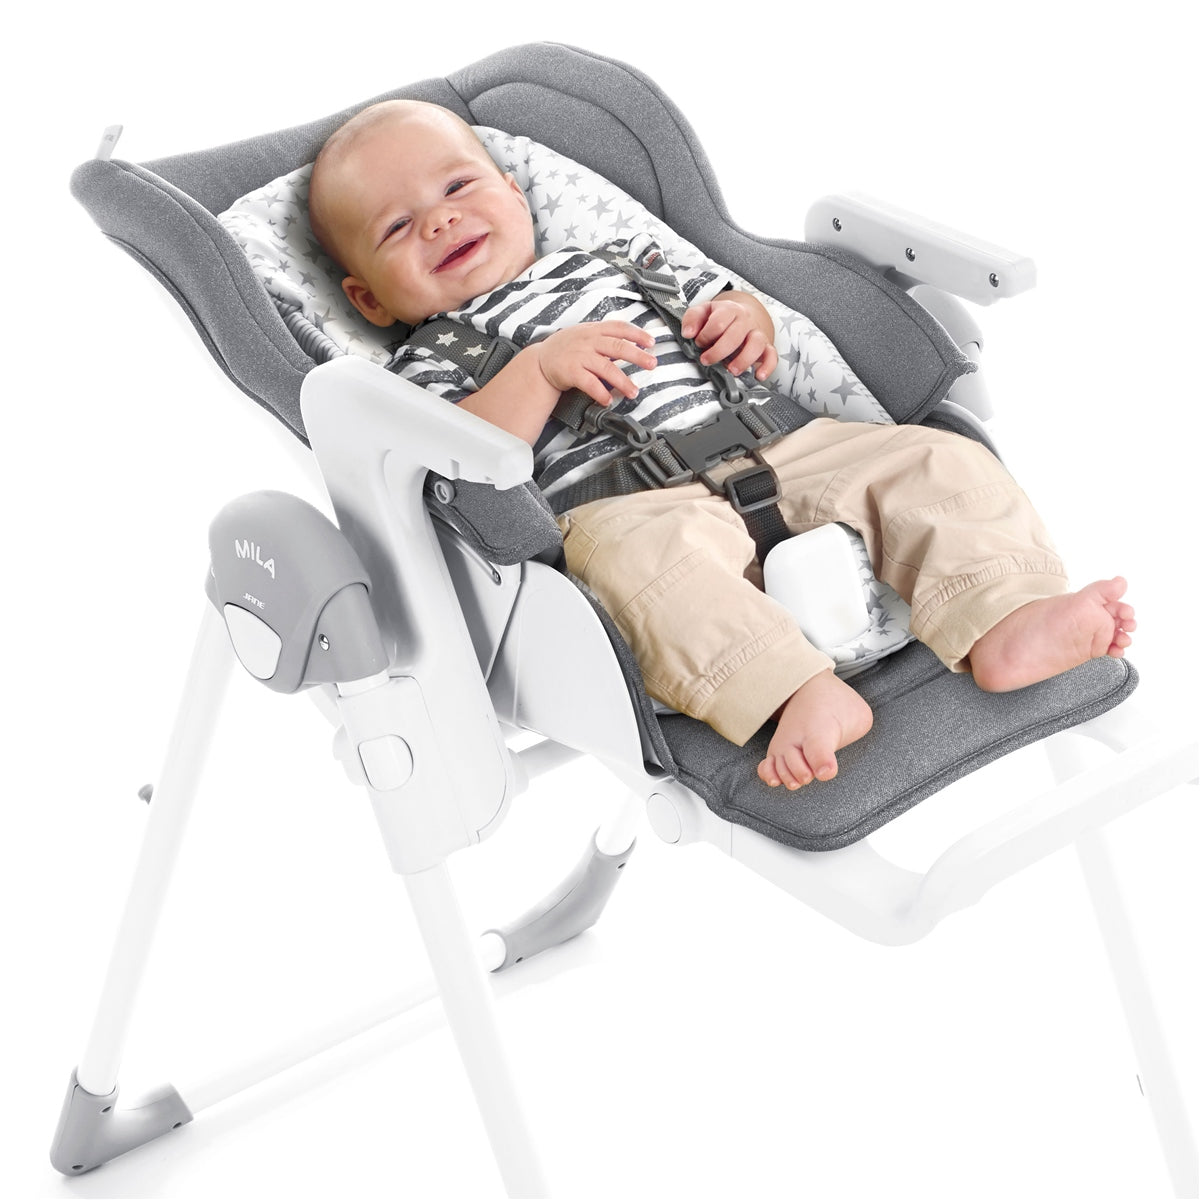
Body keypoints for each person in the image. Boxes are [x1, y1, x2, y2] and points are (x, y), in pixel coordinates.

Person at [307, 99, 1135, 792]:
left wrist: (745, 321)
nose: (441, 219)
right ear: (367, 300)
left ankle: (1003, 615)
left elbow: (733, 303)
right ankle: (793, 691)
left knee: (932, 460)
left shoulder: (616, 262)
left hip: (782, 446)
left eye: (458, 186)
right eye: (398, 227)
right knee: (632, 574)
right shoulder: (424, 359)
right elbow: (461, 456)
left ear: (517, 196)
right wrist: (540, 370)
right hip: (627, 505)